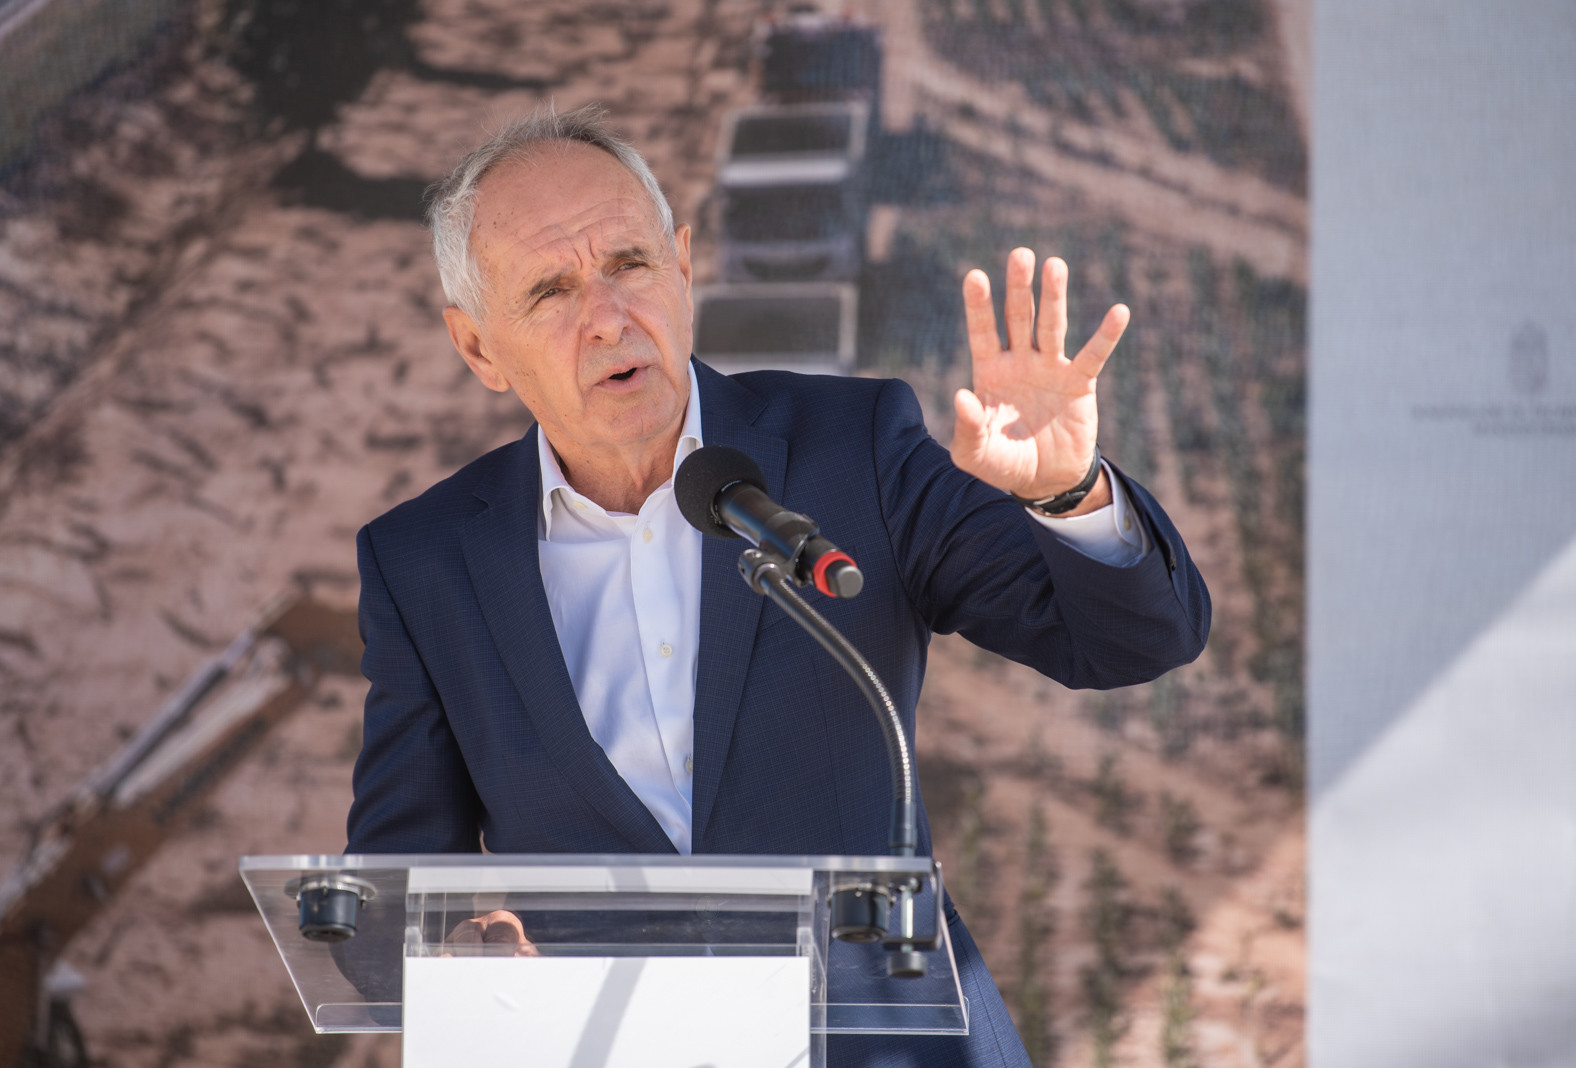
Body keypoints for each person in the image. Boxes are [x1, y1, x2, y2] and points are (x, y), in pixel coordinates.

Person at [346, 105, 1209, 1066]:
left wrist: (1066, 491)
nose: (609, 318)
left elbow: (1135, 641)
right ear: (478, 348)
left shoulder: (853, 449)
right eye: (551, 290)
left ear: (683, 267)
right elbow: (388, 891)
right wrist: (453, 957)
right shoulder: (425, 562)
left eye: (630, 264)